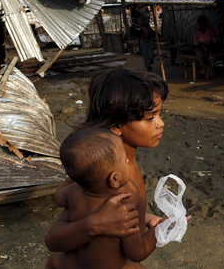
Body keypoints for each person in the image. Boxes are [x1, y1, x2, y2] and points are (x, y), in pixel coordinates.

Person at [45, 67, 173, 266]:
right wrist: (95, 224)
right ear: (116, 126)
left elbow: (64, 197)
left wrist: (142, 217)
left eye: (159, 114)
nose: (161, 123)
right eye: (150, 118)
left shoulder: (122, 164)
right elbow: (54, 239)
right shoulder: (111, 180)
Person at [47, 128, 160, 269]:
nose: (127, 160)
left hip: (69, 264)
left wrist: (77, 176)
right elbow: (137, 253)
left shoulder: (72, 191)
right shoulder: (121, 212)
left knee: (56, 259)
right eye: (125, 159)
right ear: (114, 179)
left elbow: (59, 197)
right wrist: (159, 231)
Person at [137, 6, 155, 71]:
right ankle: (148, 66)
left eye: (147, 21)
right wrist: (139, 46)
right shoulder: (142, 29)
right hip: (144, 42)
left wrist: (154, 43)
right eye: (145, 21)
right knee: (145, 55)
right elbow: (139, 38)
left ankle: (150, 62)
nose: (146, 22)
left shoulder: (150, 29)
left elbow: (152, 36)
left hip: (149, 41)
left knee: (150, 54)